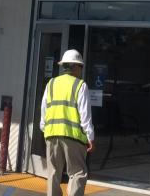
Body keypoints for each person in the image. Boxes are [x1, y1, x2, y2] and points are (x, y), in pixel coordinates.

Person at [39, 49, 95, 196]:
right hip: (73, 137)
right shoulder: (80, 85)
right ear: (75, 66)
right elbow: (85, 115)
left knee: (53, 173)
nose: (81, 70)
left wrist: (45, 129)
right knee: (77, 173)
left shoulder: (51, 84)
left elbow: (44, 109)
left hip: (51, 135)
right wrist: (90, 137)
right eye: (80, 67)